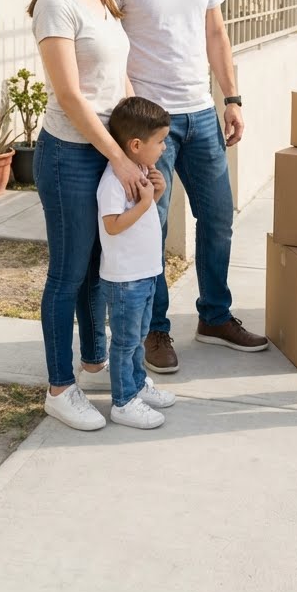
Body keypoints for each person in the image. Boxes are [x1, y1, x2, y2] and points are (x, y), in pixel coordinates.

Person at [115, 0, 269, 373]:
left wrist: (233, 97)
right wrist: (132, 119)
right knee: (151, 230)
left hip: (201, 113)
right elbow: (111, 42)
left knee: (219, 218)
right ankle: (156, 332)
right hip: (151, 123)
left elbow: (215, 34)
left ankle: (215, 316)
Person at [29, 0, 144, 432]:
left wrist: (136, 143)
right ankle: (59, 387)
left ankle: (96, 360)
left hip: (106, 149)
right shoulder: (58, 3)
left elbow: (116, 82)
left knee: (101, 266)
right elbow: (72, 97)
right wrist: (119, 156)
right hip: (69, 154)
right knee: (69, 272)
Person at [97, 96, 177, 429]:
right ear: (135, 144)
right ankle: (123, 402)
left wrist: (154, 196)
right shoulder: (113, 182)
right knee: (125, 341)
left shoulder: (143, 170)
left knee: (140, 335)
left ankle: (137, 384)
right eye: (159, 141)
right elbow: (113, 225)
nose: (164, 147)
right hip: (125, 279)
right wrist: (146, 203)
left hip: (146, 274)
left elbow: (141, 219)